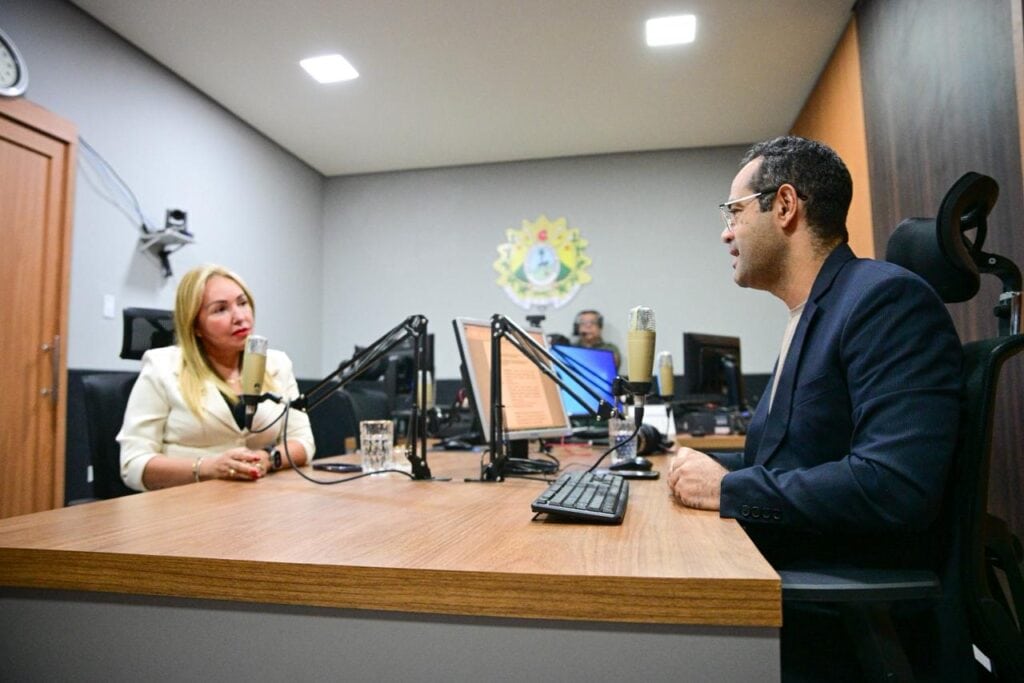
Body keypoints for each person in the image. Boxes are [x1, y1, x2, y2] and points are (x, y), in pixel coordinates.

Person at [666, 137, 962, 677]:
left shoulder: (884, 300)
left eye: (733, 212)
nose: (725, 231)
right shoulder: (814, 312)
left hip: (833, 614)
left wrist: (729, 488)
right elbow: (795, 459)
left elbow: (895, 485)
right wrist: (703, 471)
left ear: (783, 206)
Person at [118, 264, 315, 491]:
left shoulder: (277, 363)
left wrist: (268, 458)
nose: (240, 317)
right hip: (184, 504)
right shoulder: (161, 367)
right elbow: (133, 463)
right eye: (220, 309)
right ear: (195, 326)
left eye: (243, 303)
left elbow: (303, 441)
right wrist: (208, 468)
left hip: (261, 500)